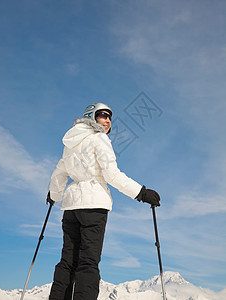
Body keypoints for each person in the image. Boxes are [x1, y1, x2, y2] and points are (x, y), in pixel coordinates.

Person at [47, 102, 160, 300]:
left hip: (71, 207)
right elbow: (111, 174)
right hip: (93, 205)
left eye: (109, 117)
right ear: (92, 117)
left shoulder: (71, 143)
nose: (107, 120)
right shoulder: (99, 138)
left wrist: (54, 195)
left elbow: (59, 172)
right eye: (102, 115)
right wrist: (141, 193)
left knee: (67, 262)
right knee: (88, 263)